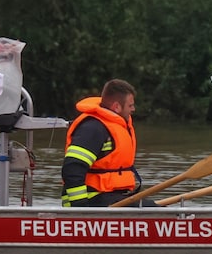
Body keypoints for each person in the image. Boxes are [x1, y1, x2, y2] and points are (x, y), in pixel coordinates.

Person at [61, 79, 157, 207]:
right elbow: (72, 168)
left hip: (110, 195)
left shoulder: (113, 126)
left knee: (152, 206)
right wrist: (81, 207)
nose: (133, 109)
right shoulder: (93, 129)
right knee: (151, 209)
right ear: (116, 106)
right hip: (92, 198)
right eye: (130, 105)